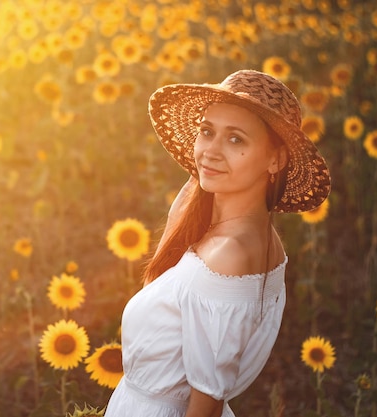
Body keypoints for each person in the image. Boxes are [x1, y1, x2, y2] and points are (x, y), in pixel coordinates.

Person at [104, 70, 331, 417]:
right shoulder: (257, 239)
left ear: (276, 159)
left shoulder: (228, 256)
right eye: (207, 132)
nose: (210, 151)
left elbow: (205, 407)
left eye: (236, 139)